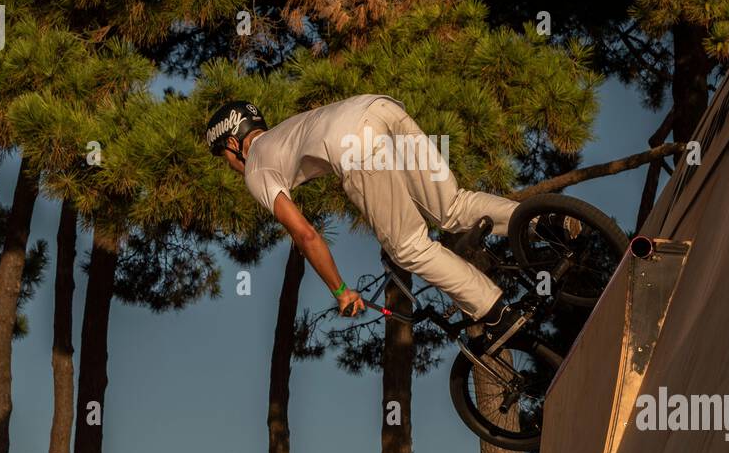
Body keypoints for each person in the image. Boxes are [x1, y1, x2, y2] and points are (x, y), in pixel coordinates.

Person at [206, 96, 574, 357]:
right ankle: (548, 222)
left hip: (354, 145)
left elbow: (305, 234)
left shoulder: (255, 168)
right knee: (453, 206)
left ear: (235, 143)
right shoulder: (284, 133)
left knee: (409, 246)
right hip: (382, 109)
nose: (231, 167)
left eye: (225, 158)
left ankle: (496, 313)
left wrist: (340, 292)